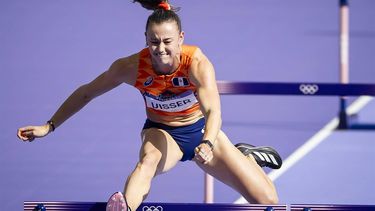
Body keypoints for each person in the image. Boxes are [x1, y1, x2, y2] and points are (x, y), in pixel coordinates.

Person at [17, 1, 282, 210]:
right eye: (154, 42)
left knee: (267, 201)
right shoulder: (130, 67)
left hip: (203, 132)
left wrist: (209, 143)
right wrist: (48, 126)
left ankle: (245, 156)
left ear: (180, 38)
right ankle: (124, 208)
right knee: (148, 161)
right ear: (145, 39)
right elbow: (87, 93)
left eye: (167, 42)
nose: (161, 49)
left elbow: (214, 111)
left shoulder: (197, 63)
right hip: (162, 133)